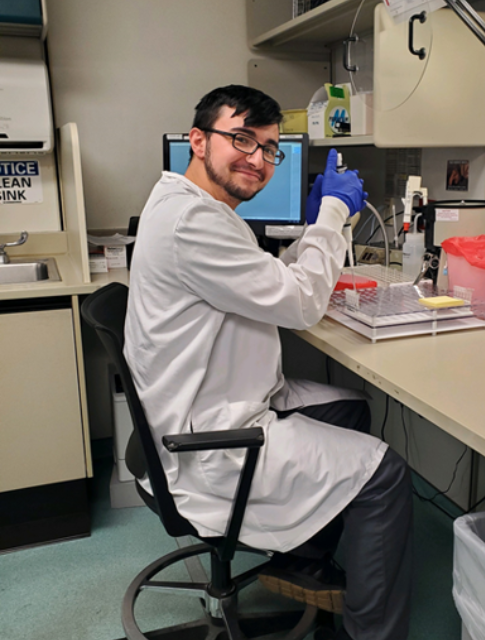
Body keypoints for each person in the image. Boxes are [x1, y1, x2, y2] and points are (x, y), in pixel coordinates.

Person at [124, 84, 413, 640]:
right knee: (386, 474)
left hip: (212, 402)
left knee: (351, 407)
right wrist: (331, 214)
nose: (258, 159)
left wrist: (307, 237)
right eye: (241, 139)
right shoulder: (194, 222)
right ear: (198, 140)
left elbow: (264, 281)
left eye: (270, 148)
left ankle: (300, 558)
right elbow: (301, 303)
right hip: (209, 440)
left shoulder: (188, 205)